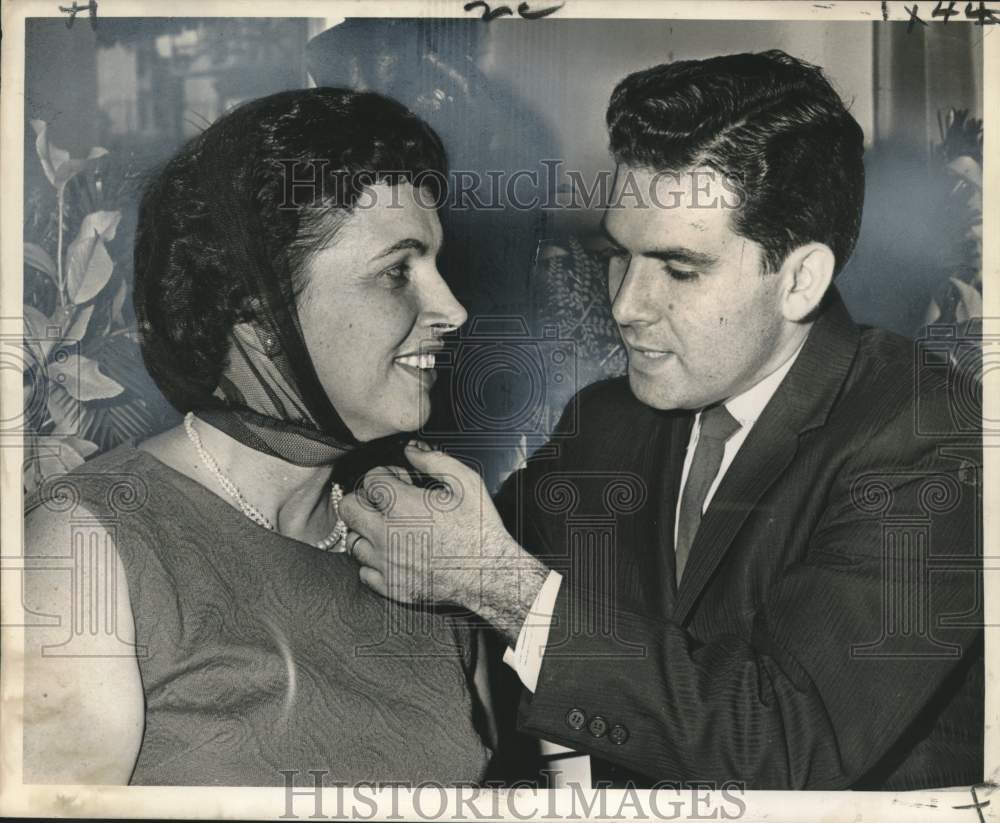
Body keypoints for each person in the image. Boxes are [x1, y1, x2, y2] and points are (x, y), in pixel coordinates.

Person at [340, 51, 984, 790]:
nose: (626, 304)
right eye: (619, 255)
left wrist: (500, 583)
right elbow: (435, 549)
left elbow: (780, 746)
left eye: (678, 269)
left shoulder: (930, 435)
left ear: (800, 278)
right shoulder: (612, 419)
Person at [23, 88, 491, 786]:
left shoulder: (428, 543)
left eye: (436, 265)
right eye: (398, 271)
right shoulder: (89, 546)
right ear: (258, 312)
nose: (452, 308)